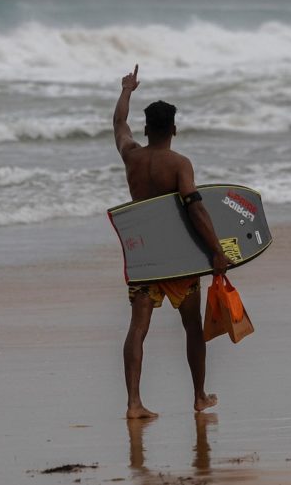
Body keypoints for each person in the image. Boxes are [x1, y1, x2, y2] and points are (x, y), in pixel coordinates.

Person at [113, 64, 230, 419]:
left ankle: (134, 403)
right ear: (174, 130)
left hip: (145, 255)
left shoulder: (131, 156)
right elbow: (195, 209)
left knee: (138, 327)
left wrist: (126, 91)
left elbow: (119, 125)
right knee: (191, 327)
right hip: (178, 258)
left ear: (147, 129)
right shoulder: (180, 163)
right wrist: (216, 250)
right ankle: (198, 396)